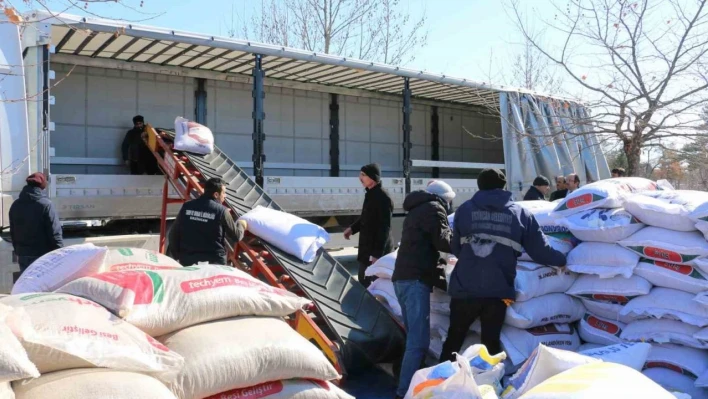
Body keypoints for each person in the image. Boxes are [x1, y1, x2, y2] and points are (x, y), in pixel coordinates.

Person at [439, 168, 567, 361]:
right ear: (504, 186)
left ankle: (440, 384)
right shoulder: (520, 214)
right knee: (490, 343)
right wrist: (562, 260)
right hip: (498, 291)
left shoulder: (464, 210)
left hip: (464, 287)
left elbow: (456, 247)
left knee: (454, 340)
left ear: (479, 185)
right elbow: (540, 251)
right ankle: (487, 385)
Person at [392, 180, 454, 399]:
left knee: (413, 339)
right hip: (415, 280)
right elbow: (444, 242)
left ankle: (407, 384)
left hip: (403, 278)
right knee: (419, 342)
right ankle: (404, 392)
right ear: (444, 199)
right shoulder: (434, 209)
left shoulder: (417, 208)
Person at [168, 178, 247, 266]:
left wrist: (178, 256)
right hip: (214, 264)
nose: (225, 196)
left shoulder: (187, 206)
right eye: (224, 193)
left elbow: (173, 234)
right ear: (216, 194)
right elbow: (237, 236)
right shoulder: (222, 211)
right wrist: (242, 224)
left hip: (189, 262)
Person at [343, 163, 394, 288]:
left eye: (363, 175)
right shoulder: (370, 194)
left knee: (371, 285)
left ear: (372, 177)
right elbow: (366, 217)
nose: (359, 178)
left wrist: (377, 255)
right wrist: (352, 229)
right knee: (363, 280)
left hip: (376, 251)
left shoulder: (383, 198)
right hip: (367, 249)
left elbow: (384, 228)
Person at [9, 172, 63, 280]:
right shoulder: (45, 204)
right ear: (42, 186)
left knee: (28, 285)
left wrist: (18, 250)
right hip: (42, 254)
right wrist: (60, 252)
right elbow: (54, 232)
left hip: (23, 254)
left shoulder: (15, 205)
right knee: (43, 287)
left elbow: (13, 232)